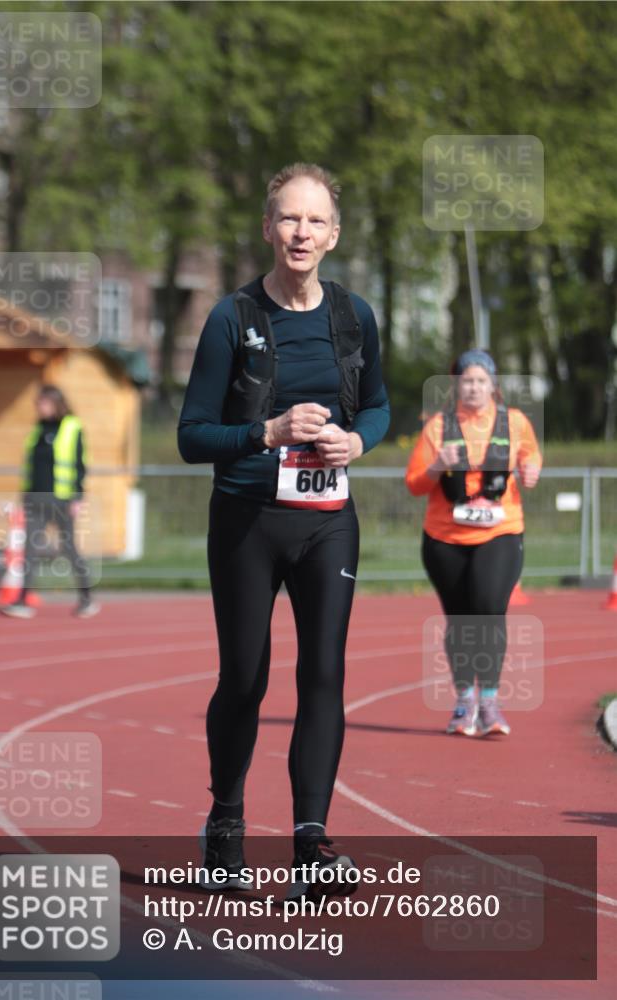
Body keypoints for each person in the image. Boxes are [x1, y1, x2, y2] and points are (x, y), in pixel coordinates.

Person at [178, 163, 390, 897]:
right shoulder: (231, 317)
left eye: (315, 220)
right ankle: (225, 823)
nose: (301, 232)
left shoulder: (353, 316)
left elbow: (378, 406)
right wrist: (266, 432)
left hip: (327, 522)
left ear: (334, 235)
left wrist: (356, 441)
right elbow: (192, 436)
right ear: (268, 228)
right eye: (289, 218)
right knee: (245, 678)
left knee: (324, 673)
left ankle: (311, 845)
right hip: (247, 519)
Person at [405, 350, 541, 737]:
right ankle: (465, 700)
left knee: (489, 608)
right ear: (456, 385)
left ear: (493, 385)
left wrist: (532, 469)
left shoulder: (514, 422)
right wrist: (437, 465)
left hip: (501, 531)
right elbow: (414, 483)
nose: (474, 388)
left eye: (481, 381)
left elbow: (531, 454)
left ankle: (490, 701)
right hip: (445, 537)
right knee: (459, 618)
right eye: (467, 381)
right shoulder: (438, 426)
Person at [0, 384, 100, 620]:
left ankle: (86, 598)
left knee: (69, 548)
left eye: (42, 403)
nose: (39, 407)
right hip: (35, 499)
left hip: (61, 499)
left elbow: (80, 464)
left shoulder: (72, 426)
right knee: (29, 549)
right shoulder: (38, 428)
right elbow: (32, 466)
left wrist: (77, 497)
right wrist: (24, 496)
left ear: (55, 403)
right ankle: (22, 600)